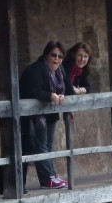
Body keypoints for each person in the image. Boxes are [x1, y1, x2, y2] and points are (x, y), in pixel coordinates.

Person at [19, 41, 73, 189]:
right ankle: (47, 178)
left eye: (60, 56)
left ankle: (51, 176)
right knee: (40, 146)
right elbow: (32, 90)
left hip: (49, 113)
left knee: (48, 145)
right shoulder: (36, 69)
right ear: (46, 54)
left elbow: (68, 89)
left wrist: (62, 96)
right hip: (35, 116)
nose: (56, 59)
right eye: (53, 55)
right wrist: (51, 95)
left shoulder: (61, 70)